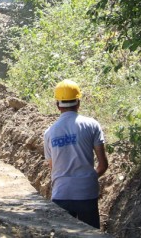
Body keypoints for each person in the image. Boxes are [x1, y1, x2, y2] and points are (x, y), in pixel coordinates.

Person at [43, 79, 109, 229]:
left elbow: (54, 169)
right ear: (78, 102)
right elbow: (103, 165)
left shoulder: (49, 133)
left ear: (57, 105)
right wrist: (89, 177)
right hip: (87, 192)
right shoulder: (92, 125)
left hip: (61, 194)